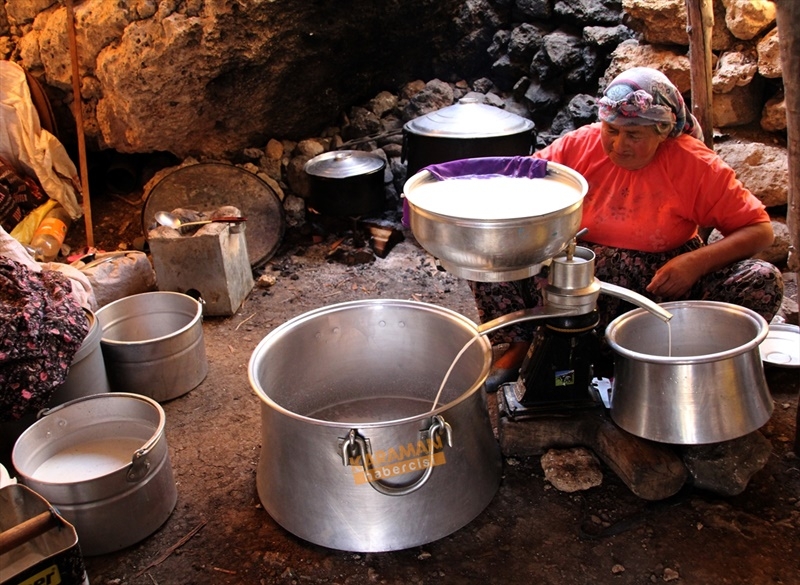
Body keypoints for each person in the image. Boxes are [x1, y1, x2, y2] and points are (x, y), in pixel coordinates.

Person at [474, 66, 784, 379]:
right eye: (612, 130)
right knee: (485, 245)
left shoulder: (695, 165)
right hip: (574, 277)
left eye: (634, 135)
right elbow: (525, 183)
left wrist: (695, 264)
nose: (619, 145)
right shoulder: (578, 145)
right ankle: (521, 344)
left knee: (762, 279)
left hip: (660, 286)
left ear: (662, 131)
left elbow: (759, 231)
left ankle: (686, 362)